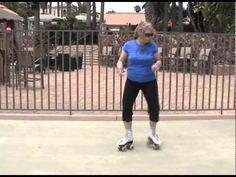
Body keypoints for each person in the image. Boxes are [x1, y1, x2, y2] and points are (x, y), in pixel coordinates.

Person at [116, 22, 162, 151]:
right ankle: (128, 135)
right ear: (140, 33)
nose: (150, 37)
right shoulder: (129, 45)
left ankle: (153, 134)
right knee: (126, 105)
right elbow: (121, 61)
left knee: (154, 107)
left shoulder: (153, 46)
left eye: (152, 34)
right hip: (132, 81)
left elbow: (159, 61)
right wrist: (119, 68)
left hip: (149, 81)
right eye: (148, 34)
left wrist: (156, 66)